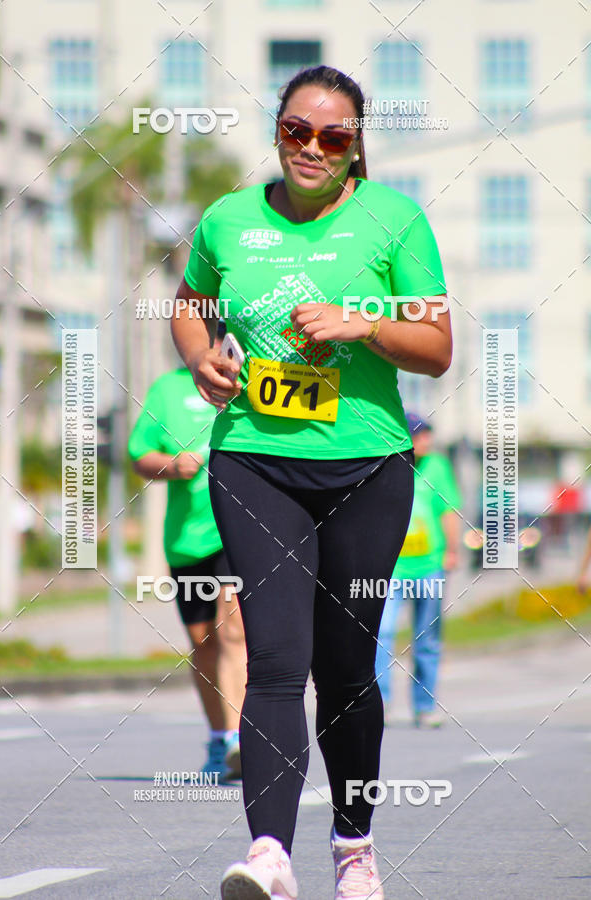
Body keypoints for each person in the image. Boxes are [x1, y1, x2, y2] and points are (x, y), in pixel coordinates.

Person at [171, 65, 452, 900]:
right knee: (277, 658)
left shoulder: (394, 220)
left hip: (366, 466)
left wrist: (364, 325)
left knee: (348, 667)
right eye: (299, 129)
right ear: (277, 130)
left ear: (357, 145)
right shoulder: (228, 219)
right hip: (254, 460)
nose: (314, 148)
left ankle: (354, 844)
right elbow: (190, 302)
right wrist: (202, 360)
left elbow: (438, 346)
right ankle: (268, 853)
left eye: (335, 136)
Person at [128, 366, 246, 780]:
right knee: (203, 641)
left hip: (238, 529)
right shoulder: (168, 388)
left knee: (233, 629)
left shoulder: (255, 375)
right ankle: (219, 737)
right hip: (186, 538)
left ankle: (239, 738)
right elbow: (139, 455)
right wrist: (171, 466)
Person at [375, 413, 462, 729]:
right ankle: (380, 705)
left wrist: (452, 551)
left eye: (428, 434)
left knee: (426, 639)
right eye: (419, 434)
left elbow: (448, 510)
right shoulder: (387, 463)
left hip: (429, 566)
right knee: (382, 635)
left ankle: (424, 707)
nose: (426, 440)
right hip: (393, 568)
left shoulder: (437, 466)